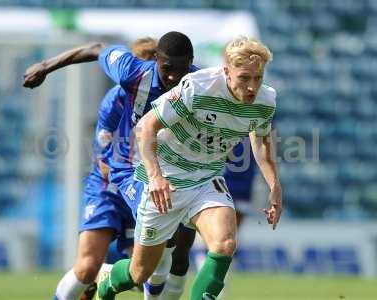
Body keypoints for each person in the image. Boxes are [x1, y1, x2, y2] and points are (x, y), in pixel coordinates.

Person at [98, 36, 283, 300]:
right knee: (138, 273)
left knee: (224, 244)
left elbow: (261, 141)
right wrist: (156, 177)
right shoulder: (197, 87)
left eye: (258, 78)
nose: (252, 87)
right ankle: (108, 281)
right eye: (245, 78)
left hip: (206, 179)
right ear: (226, 71)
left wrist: (274, 186)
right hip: (167, 179)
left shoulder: (265, 101)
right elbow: (147, 127)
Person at [23, 32, 198, 300]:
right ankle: (98, 274)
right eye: (164, 68)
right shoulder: (119, 93)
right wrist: (45, 66)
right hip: (112, 184)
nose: (172, 76)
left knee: (142, 274)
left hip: (151, 180)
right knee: (86, 267)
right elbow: (104, 160)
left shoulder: (193, 85)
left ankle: (107, 274)